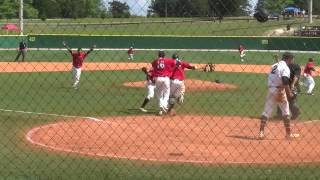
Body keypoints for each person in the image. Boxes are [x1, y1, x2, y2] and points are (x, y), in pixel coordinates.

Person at [259, 52, 300, 139]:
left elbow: (274, 77)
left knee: (266, 111)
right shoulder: (285, 67)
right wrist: (289, 94)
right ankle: (288, 134)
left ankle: (261, 133)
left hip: (271, 89)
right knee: (286, 112)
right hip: (280, 91)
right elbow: (285, 81)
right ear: (289, 59)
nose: (293, 61)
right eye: (292, 59)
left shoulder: (274, 65)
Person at [151, 50, 176, 115]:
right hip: (166, 79)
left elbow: (153, 65)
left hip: (158, 78)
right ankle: (164, 106)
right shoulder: (168, 60)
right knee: (167, 93)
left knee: (159, 94)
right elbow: (175, 63)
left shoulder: (155, 61)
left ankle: (160, 109)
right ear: (164, 55)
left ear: (158, 55)